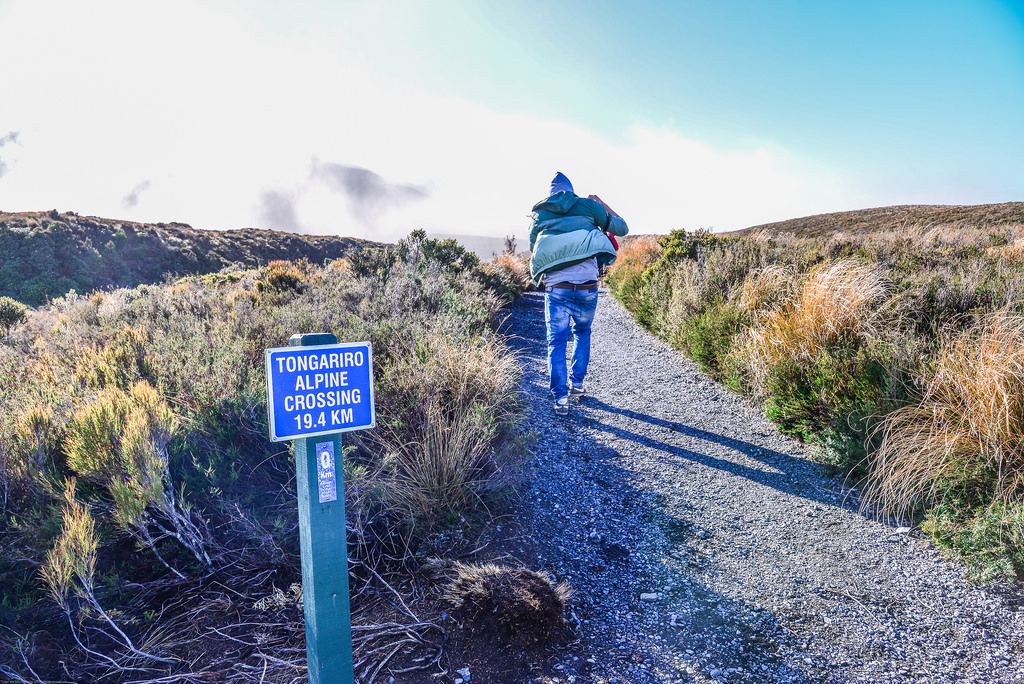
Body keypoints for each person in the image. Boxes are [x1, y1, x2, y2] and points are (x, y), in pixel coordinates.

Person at [529, 172, 628, 416]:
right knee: (582, 332)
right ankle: (577, 384)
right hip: (587, 285)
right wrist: (601, 203)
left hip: (556, 287)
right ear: (572, 190)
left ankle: (561, 399)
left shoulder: (540, 213)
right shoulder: (588, 206)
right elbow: (622, 228)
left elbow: (535, 247)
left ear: (550, 194)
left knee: (557, 341)